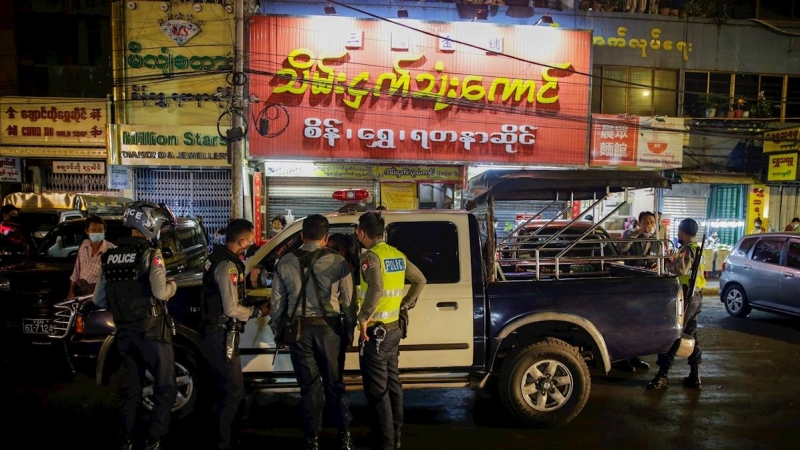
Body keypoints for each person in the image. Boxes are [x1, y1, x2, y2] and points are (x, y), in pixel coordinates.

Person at [91, 201, 178, 450]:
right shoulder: (151, 254)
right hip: (152, 333)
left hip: (124, 333)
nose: (159, 230)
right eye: (159, 225)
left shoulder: (109, 257)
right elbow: (161, 292)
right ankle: (155, 438)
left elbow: (98, 299)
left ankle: (127, 439)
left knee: (131, 390)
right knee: (166, 386)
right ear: (148, 224)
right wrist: (173, 286)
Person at [270, 214, 357, 450]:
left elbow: (277, 305)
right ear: (326, 237)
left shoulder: (284, 261)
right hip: (329, 331)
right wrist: (349, 331)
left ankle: (312, 439)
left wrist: (278, 330)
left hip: (299, 331)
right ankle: (344, 435)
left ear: (301, 235)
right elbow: (348, 302)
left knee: (309, 387)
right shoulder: (338, 262)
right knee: (334, 384)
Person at [356, 211, 427, 450]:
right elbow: (420, 280)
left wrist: (363, 317)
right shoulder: (397, 255)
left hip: (376, 332)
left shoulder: (370, 257)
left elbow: (375, 287)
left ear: (362, 233)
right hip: (394, 330)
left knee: (378, 391)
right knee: (393, 384)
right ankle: (394, 435)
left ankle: (384, 443)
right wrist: (404, 304)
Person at [201, 218, 270, 450]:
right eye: (250, 240)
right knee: (232, 390)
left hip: (216, 331)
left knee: (223, 388)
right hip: (221, 334)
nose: (251, 243)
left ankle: (223, 435)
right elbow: (231, 308)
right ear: (242, 241)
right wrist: (255, 311)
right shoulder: (227, 267)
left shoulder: (215, 258)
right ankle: (223, 441)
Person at [647, 218, 705, 391]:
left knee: (673, 333)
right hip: (695, 297)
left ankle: (663, 374)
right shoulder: (696, 248)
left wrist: (667, 264)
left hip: (687, 296)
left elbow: (681, 270)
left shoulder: (688, 249)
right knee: (690, 335)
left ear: (682, 231)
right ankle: (695, 375)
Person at [68, 215, 116, 299]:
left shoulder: (112, 250)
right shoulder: (84, 245)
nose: (97, 233)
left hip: (99, 294)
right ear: (87, 231)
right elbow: (76, 271)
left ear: (104, 231)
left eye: (100, 230)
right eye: (93, 230)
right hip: (81, 292)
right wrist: (71, 291)